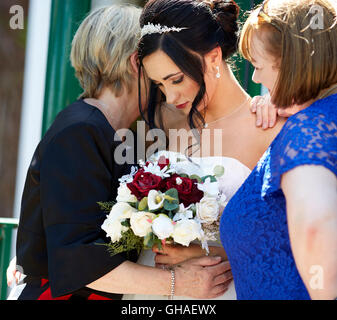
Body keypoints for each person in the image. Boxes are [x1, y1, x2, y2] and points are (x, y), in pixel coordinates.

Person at [11, 4, 231, 300]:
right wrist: (180, 283)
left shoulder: (119, 131)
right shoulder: (79, 132)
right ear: (136, 63)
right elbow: (78, 258)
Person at [124, 0, 287, 300]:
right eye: (160, 85)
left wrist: (210, 251)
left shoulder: (271, 127)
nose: (171, 96)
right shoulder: (174, 125)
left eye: (176, 79)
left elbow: (291, 238)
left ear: (213, 58)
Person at [220, 0, 337, 299]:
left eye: (258, 66)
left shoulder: (307, 131)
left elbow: (316, 227)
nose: (256, 78)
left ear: (293, 64)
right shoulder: (321, 118)